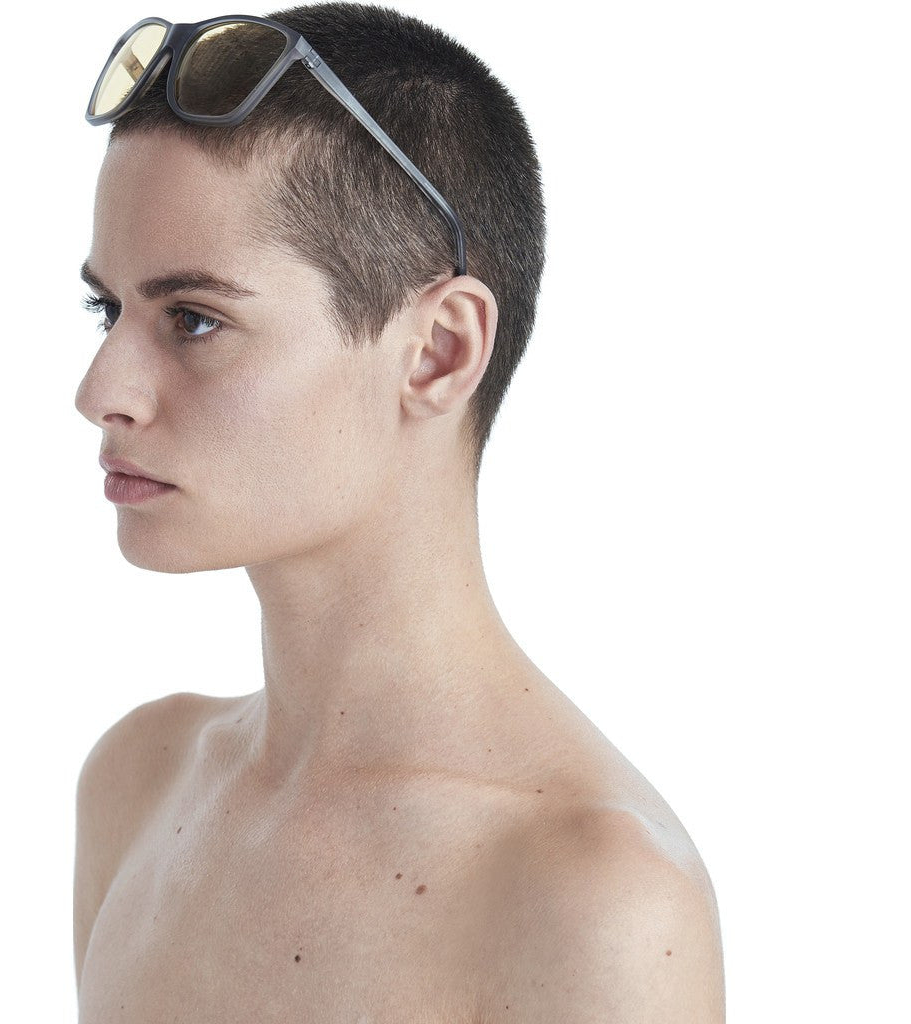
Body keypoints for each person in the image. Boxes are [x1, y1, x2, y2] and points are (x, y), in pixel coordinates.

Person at [72, 3, 726, 1020]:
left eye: (193, 320)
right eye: (107, 310)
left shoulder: (595, 902)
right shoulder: (138, 785)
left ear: (438, 353)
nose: (100, 390)